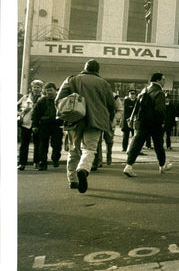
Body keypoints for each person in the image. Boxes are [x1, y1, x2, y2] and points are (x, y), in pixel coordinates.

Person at [55, 59, 117, 193]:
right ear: (97, 70)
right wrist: (108, 120)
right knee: (90, 149)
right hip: (96, 121)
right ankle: (83, 169)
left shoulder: (72, 79)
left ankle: (72, 179)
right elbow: (111, 105)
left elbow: (58, 100)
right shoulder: (104, 83)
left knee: (73, 149)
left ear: (85, 68)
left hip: (75, 119)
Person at [122, 73, 172, 177]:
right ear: (158, 80)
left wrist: (131, 118)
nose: (164, 82)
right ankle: (162, 166)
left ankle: (128, 166)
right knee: (158, 144)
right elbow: (160, 110)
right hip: (154, 123)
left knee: (137, 143)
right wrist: (162, 122)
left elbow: (136, 106)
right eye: (163, 80)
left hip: (142, 122)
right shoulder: (159, 92)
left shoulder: (144, 90)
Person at [31, 82, 62, 171]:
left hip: (57, 125)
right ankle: (43, 163)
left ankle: (55, 159)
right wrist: (35, 125)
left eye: (51, 90)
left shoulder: (60, 100)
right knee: (43, 145)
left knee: (57, 144)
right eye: (47, 90)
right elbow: (35, 114)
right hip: (44, 125)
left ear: (55, 90)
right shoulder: (42, 101)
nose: (49, 92)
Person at [17, 79, 44, 171]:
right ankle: (22, 163)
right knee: (24, 144)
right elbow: (17, 107)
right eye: (34, 87)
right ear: (31, 88)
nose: (36, 89)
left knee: (37, 144)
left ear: (41, 89)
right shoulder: (25, 97)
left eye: (38, 87)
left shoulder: (43, 98)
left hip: (38, 124)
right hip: (26, 123)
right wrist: (23, 111)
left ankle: (36, 162)